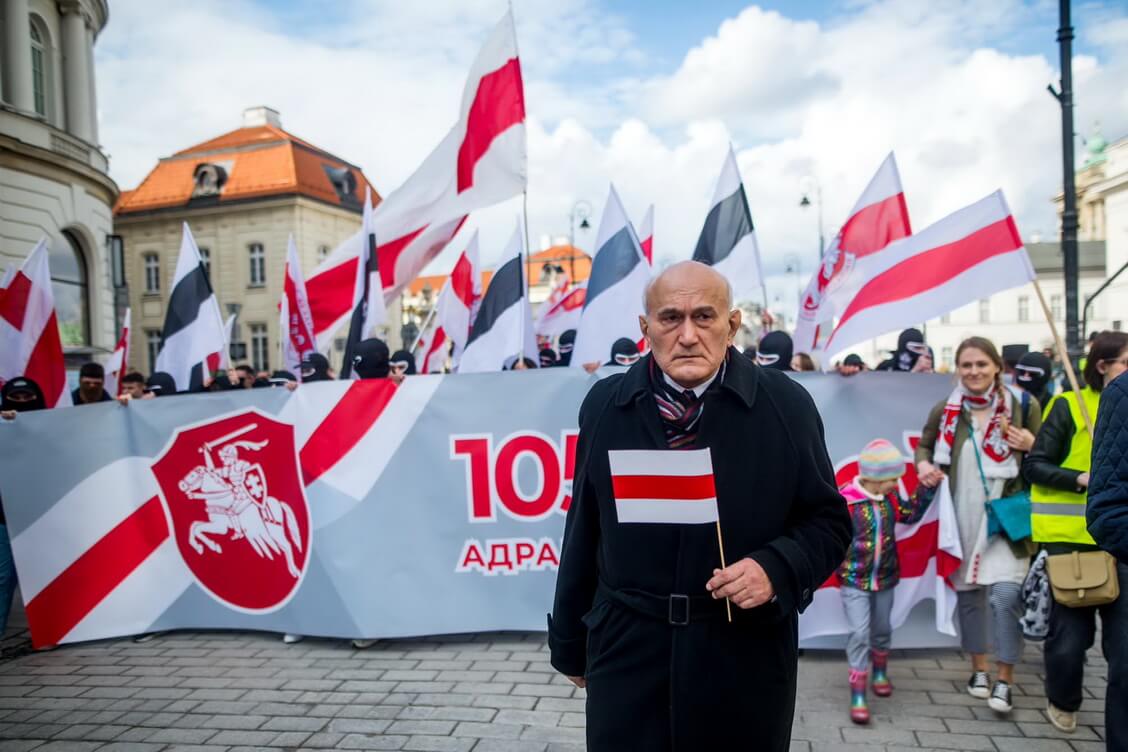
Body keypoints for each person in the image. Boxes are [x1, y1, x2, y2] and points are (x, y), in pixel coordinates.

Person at [549, 261, 851, 751]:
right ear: (646, 329)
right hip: (627, 649)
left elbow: (829, 522)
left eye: (705, 317)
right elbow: (584, 526)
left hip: (742, 654)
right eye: (670, 318)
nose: (687, 335)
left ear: (732, 325)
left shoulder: (785, 406)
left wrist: (775, 567)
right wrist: (569, 642)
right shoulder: (606, 404)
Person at [916, 336, 1040, 714]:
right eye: (966, 365)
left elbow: (1048, 456)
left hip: (1007, 516)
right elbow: (925, 444)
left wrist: (1032, 443)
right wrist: (924, 465)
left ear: (997, 367)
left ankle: (1005, 677)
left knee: (1005, 597)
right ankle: (979, 669)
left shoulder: (1023, 405)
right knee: (970, 598)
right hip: (962, 514)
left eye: (981, 365)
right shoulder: (947, 409)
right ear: (958, 369)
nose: (973, 372)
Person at [1024, 331, 1128, 740]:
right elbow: (1036, 465)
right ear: (1103, 366)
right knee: (1070, 641)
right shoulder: (1068, 405)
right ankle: (1063, 699)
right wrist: (1080, 478)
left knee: (1122, 654)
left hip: (1121, 552)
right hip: (1073, 544)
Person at [838, 438, 930, 724]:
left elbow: (910, 513)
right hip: (854, 580)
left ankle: (879, 671)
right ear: (876, 478)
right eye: (893, 479)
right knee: (859, 633)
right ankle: (858, 693)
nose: (896, 485)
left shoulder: (890, 500)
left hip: (885, 578)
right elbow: (830, 534)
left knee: (881, 630)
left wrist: (928, 488)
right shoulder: (847, 501)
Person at [0, 377, 48, 636]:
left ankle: (53, 630)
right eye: (14, 398)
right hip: (4, 517)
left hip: (44, 516)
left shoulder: (54, 428)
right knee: (3, 578)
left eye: (26, 398)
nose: (20, 404)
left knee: (49, 577)